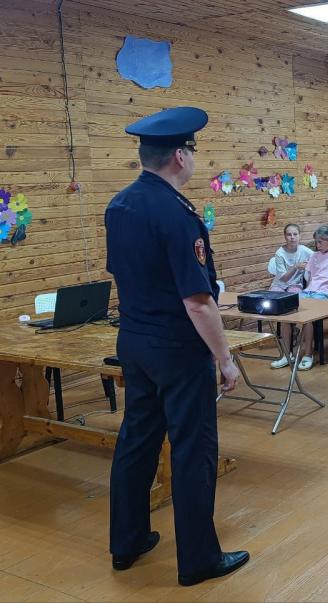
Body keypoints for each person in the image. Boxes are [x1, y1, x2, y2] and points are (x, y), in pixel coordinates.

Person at [105, 107, 249, 586]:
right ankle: (199, 560)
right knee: (193, 449)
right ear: (180, 157)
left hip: (134, 341)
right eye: (192, 152)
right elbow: (198, 302)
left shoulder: (119, 205)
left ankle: (126, 542)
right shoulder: (177, 213)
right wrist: (225, 359)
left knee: (136, 441)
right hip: (177, 349)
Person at [293, 225, 328, 371]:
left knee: (307, 317)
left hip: (324, 293)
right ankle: (288, 353)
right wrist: (306, 292)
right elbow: (310, 279)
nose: (317, 245)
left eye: (320, 242)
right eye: (316, 242)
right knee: (287, 309)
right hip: (310, 292)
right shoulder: (314, 256)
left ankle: (307, 354)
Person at [269, 223, 313, 293]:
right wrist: (296, 266)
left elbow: (317, 259)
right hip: (279, 284)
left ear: (299, 236)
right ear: (285, 237)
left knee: (294, 297)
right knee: (275, 297)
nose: (292, 237)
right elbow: (283, 279)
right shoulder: (279, 253)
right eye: (289, 234)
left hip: (296, 285)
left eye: (295, 234)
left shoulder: (304, 250)